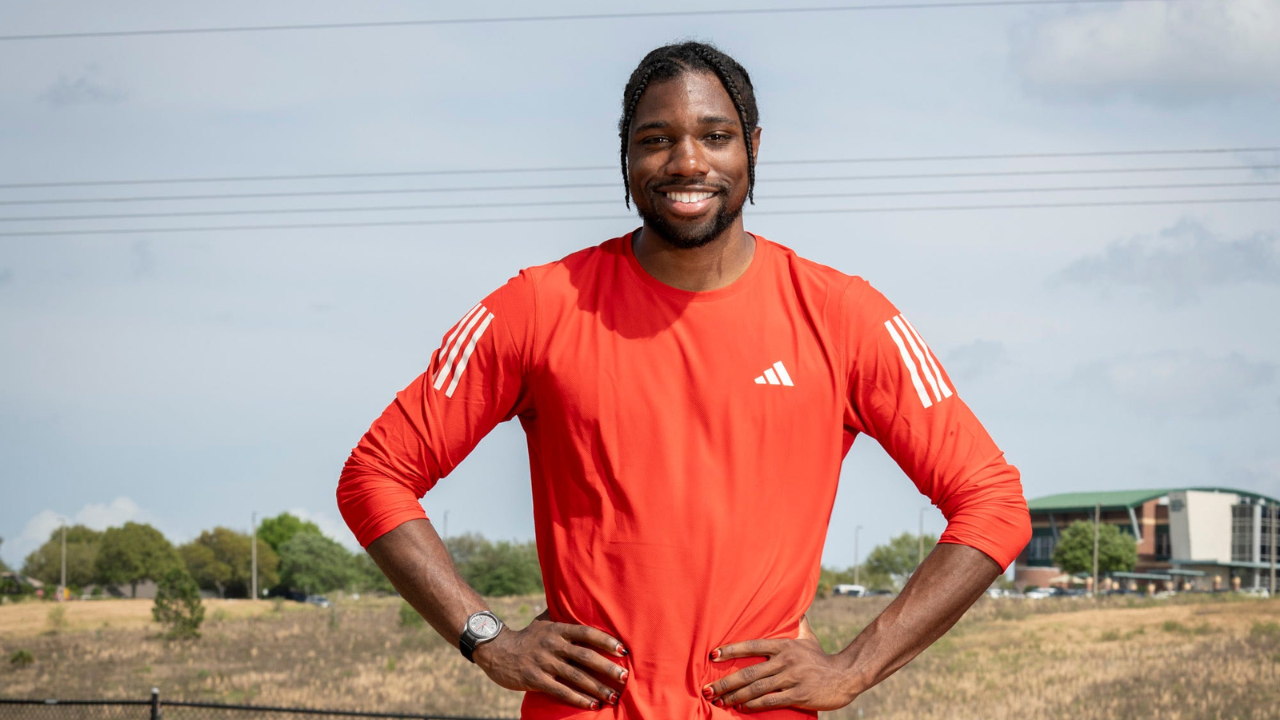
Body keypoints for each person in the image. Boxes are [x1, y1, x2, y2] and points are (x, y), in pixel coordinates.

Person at [337, 41, 1031, 720]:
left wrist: (854, 668)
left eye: (715, 135)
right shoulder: (539, 305)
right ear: (626, 156)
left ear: (753, 149)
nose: (688, 161)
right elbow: (375, 475)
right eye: (657, 139)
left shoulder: (842, 315)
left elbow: (992, 504)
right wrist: (488, 639)